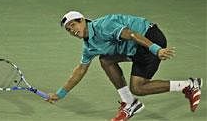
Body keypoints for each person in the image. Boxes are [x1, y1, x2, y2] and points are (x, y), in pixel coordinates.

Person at [47, 11, 202, 121]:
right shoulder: (89, 47)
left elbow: (131, 34)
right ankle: (130, 102)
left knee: (138, 88)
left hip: (148, 37)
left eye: (73, 25)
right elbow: (80, 70)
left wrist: (156, 49)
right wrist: (60, 94)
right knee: (106, 60)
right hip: (135, 49)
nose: (72, 30)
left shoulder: (104, 25)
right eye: (68, 30)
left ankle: (190, 85)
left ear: (82, 20)